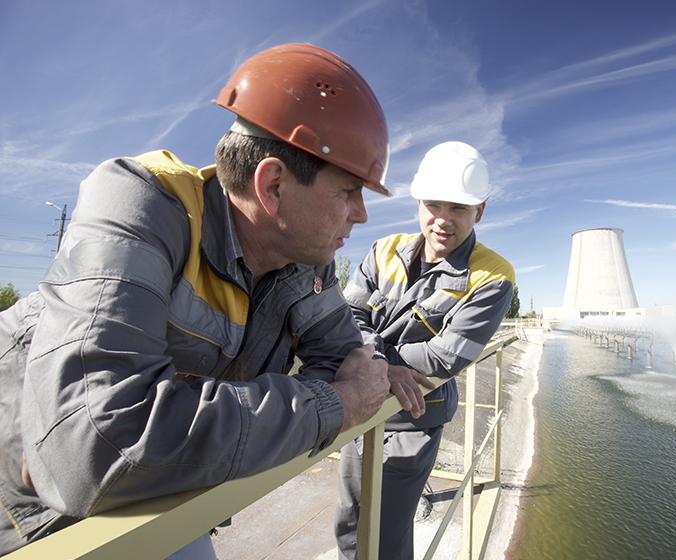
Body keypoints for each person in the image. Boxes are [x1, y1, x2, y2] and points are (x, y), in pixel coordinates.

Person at [0, 43, 393, 558]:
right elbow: (94, 446)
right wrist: (332, 406)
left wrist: (178, 430)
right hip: (29, 512)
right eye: (349, 191)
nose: (360, 215)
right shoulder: (141, 204)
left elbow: (349, 362)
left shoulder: (305, 261)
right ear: (273, 185)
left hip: (146, 496)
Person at [334, 141, 515, 559]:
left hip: (412, 417)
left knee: (386, 536)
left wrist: (370, 360)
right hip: (357, 406)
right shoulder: (384, 251)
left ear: (479, 212)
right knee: (348, 524)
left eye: (459, 208)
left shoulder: (492, 276)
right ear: (418, 201)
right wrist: (381, 362)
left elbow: (445, 357)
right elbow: (346, 318)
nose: (443, 220)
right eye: (435, 204)